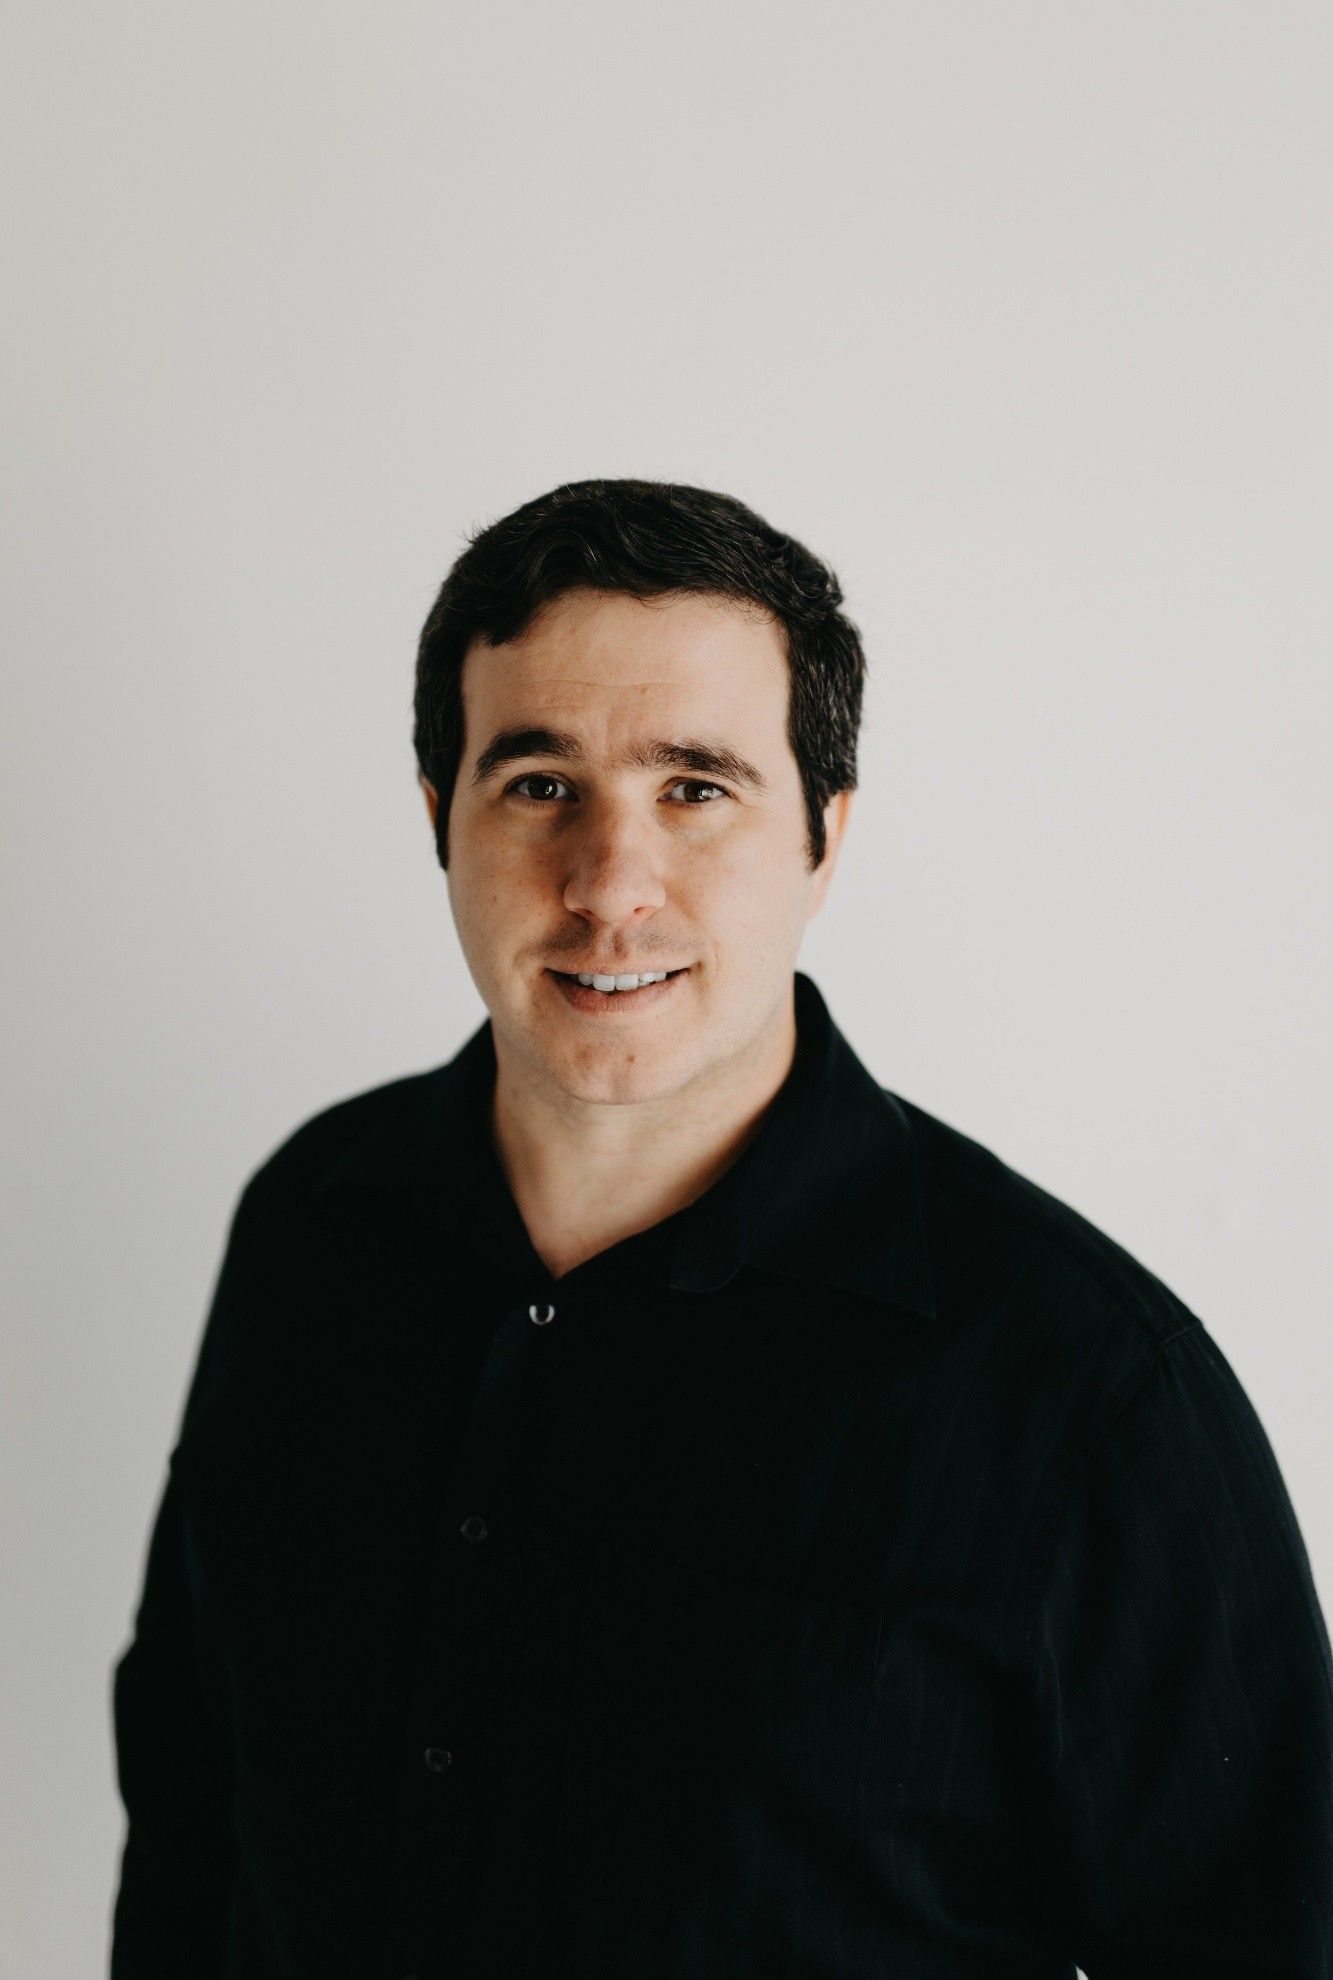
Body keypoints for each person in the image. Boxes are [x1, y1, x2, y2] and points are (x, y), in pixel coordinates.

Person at [109, 478, 1333, 1978]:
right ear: (442, 822)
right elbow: (188, 1793)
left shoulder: (1087, 1391)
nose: (610, 885)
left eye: (695, 788)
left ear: (824, 835)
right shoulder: (313, 1218)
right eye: (539, 784)